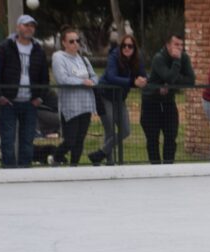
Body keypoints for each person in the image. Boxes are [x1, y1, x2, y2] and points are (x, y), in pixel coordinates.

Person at [0, 14, 49, 168]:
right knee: (7, 139)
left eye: (32, 26)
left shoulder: (38, 49)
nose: (29, 28)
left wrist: (40, 97)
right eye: (26, 25)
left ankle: (25, 170)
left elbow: (44, 77)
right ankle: (9, 170)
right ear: (18, 27)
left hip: (30, 103)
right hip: (9, 102)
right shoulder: (5, 47)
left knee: (27, 140)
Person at [88, 35, 147, 165]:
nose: (127, 48)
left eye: (130, 46)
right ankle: (110, 162)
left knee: (125, 130)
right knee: (109, 129)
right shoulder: (114, 56)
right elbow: (111, 77)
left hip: (120, 98)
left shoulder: (137, 59)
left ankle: (100, 153)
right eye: (124, 45)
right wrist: (132, 82)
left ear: (134, 48)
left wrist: (143, 80)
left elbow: (143, 75)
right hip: (105, 95)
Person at [142, 34, 194, 164]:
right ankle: (156, 169)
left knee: (171, 138)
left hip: (168, 102)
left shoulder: (184, 57)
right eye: (176, 44)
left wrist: (170, 85)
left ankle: (168, 168)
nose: (179, 48)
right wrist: (176, 62)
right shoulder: (159, 58)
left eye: (181, 45)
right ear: (168, 45)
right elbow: (168, 77)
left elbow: (191, 80)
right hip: (151, 103)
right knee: (152, 139)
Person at [50, 26, 98, 166]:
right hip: (70, 106)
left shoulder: (83, 59)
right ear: (64, 43)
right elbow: (62, 79)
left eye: (78, 41)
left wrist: (92, 82)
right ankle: (55, 157)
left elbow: (94, 76)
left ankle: (74, 166)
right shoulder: (58, 57)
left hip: (86, 105)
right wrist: (82, 82)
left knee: (80, 140)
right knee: (70, 140)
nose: (75, 44)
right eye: (71, 41)